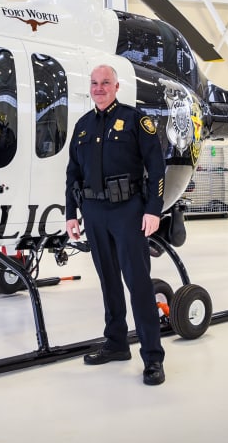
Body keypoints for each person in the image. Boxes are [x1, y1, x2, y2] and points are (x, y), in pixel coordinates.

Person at [65, 64, 167, 386]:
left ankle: (152, 358)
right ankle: (116, 343)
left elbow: (156, 167)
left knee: (138, 284)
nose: (99, 88)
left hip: (128, 211)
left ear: (117, 86)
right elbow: (72, 175)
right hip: (94, 212)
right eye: (94, 83)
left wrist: (153, 210)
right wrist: (71, 214)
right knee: (108, 281)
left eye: (105, 82)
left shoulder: (137, 121)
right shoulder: (82, 126)